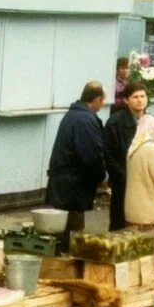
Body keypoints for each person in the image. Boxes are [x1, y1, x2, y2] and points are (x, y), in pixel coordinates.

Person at [45, 81, 107, 251]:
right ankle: (67, 266)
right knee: (72, 234)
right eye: (103, 101)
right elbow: (91, 156)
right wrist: (102, 176)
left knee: (61, 230)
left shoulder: (73, 115)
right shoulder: (85, 120)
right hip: (72, 186)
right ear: (98, 99)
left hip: (63, 183)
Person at [124, 115, 154, 261]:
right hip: (150, 214)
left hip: (135, 212)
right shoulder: (152, 149)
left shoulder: (134, 148)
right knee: (153, 263)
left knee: (137, 261)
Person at [103, 82, 147, 232]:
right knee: (120, 224)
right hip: (123, 182)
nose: (140, 100)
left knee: (141, 224)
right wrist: (123, 177)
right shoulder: (115, 122)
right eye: (135, 97)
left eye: (143, 96)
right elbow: (107, 154)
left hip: (145, 183)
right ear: (126, 100)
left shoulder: (150, 121)